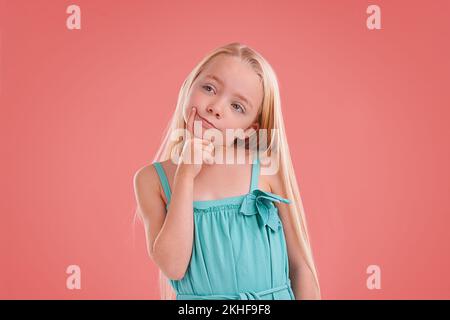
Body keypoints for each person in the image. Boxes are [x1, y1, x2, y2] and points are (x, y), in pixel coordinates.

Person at [133, 42, 321, 300]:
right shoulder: (151, 180)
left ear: (249, 130)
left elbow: (301, 267)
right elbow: (174, 267)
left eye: (237, 106)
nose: (216, 107)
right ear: (189, 85)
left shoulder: (264, 166)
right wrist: (185, 175)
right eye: (209, 88)